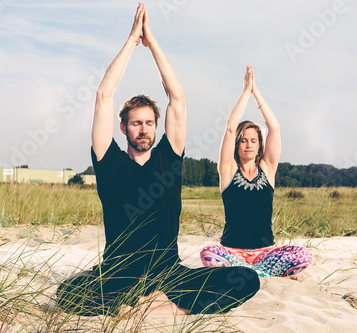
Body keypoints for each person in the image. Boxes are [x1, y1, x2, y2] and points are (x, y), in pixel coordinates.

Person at [56, 3, 260, 316]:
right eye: (136, 123)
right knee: (66, 293)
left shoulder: (169, 158)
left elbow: (176, 97)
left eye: (149, 122)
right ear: (123, 127)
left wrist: (151, 43)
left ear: (157, 126)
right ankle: (150, 306)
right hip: (117, 273)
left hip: (167, 274)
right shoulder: (109, 162)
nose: (143, 128)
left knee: (245, 279)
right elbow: (103, 96)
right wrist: (130, 42)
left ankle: (158, 307)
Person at [200, 65, 312, 278]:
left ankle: (253, 271)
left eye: (253, 140)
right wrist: (244, 92)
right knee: (208, 253)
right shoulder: (228, 170)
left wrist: (255, 92)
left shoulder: (268, 169)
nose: (248, 145)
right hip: (232, 251)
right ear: (236, 144)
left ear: (260, 145)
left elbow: (275, 128)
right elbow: (230, 127)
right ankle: (257, 273)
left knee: (303, 255)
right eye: (243, 141)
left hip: (265, 253)